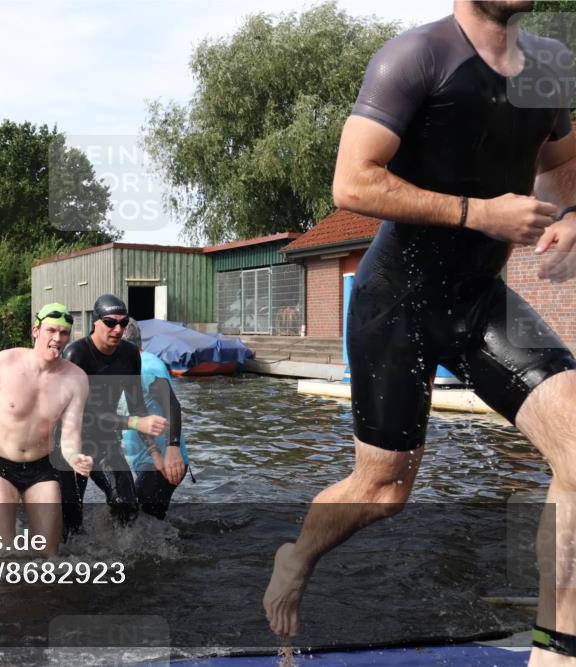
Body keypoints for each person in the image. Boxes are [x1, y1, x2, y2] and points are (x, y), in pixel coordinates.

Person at [262, 4, 576, 662]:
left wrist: (569, 212)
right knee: (383, 490)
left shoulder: (552, 65)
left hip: (478, 298)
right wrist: (478, 213)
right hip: (395, 301)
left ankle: (556, 648)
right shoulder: (416, 58)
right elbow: (352, 180)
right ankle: (296, 555)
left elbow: (561, 158)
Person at [0, 303, 92, 557]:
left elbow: (71, 435)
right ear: (35, 331)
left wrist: (75, 457)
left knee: (49, 557)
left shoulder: (76, 379)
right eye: (51, 330)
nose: (57, 339)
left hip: (42, 468)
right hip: (0, 466)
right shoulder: (6, 361)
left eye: (64, 333)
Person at [59, 294, 168, 539]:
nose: (118, 329)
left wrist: (155, 453)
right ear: (95, 322)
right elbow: (79, 414)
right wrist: (133, 422)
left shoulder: (130, 355)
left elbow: (137, 406)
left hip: (104, 439)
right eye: (110, 322)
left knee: (126, 504)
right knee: (70, 521)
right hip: (70, 442)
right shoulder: (75, 355)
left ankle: (121, 558)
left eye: (123, 322)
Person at [120, 319, 189, 520]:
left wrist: (172, 449)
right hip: (151, 458)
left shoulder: (147, 368)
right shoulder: (130, 366)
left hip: (166, 462)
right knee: (144, 521)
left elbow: (173, 405)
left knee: (139, 521)